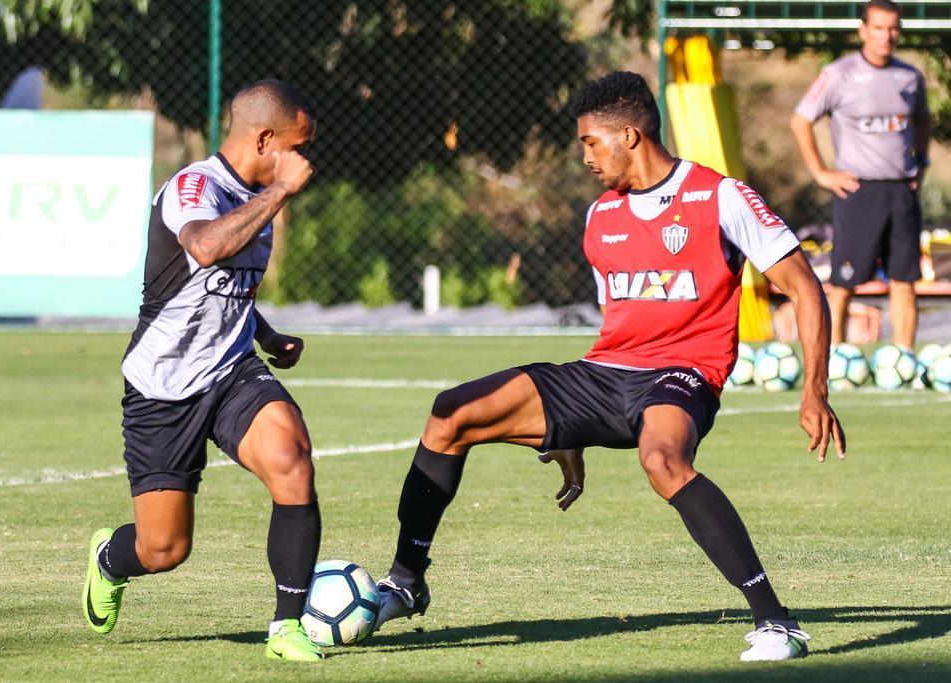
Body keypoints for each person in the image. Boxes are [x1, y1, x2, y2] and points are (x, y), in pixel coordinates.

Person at [373, 71, 846, 662]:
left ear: (629, 135)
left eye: (590, 143)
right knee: (450, 414)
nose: (586, 157)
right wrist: (569, 430)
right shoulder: (601, 218)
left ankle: (778, 623)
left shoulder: (720, 196)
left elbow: (804, 289)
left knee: (662, 459)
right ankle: (405, 580)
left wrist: (815, 392)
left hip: (682, 374)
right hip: (606, 373)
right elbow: (615, 332)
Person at [81, 79, 326, 662]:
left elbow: (215, 289)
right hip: (161, 387)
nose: (304, 161)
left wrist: (264, 333)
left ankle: (287, 627)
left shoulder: (259, 195)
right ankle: (109, 561)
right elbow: (207, 249)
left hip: (231, 372)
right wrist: (283, 192)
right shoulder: (197, 187)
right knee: (164, 548)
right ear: (265, 139)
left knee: (292, 462)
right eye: (298, 146)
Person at [790, 0, 931, 348]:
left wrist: (922, 161)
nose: (887, 36)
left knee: (905, 281)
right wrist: (822, 173)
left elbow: (923, 120)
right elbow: (800, 120)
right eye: (879, 28)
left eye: (894, 28)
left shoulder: (910, 77)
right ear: (863, 30)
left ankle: (904, 358)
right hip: (858, 192)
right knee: (844, 283)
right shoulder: (840, 74)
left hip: (902, 192)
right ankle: (834, 361)